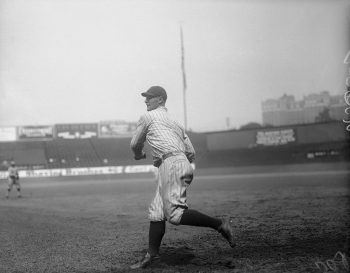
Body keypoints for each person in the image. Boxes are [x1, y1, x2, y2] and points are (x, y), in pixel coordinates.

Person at [130, 86, 235, 269]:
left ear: (161, 100)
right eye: (145, 98)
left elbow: (135, 143)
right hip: (175, 164)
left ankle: (219, 224)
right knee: (157, 211)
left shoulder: (147, 117)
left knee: (175, 215)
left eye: (149, 97)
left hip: (171, 165)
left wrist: (138, 154)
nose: (145, 100)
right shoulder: (176, 123)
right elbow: (191, 152)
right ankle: (152, 256)